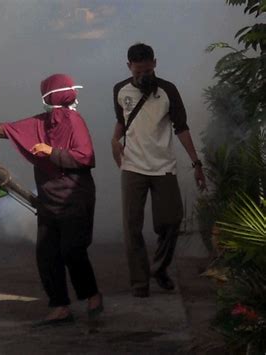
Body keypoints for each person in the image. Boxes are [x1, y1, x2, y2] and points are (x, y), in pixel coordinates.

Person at [0, 74, 103, 324]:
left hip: (74, 197)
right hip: (49, 200)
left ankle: (92, 295)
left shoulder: (74, 122)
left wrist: (52, 151)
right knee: (47, 254)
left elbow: (85, 157)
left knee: (72, 251)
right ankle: (60, 306)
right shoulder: (42, 122)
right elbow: (7, 129)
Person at [111, 43, 206, 298]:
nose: (143, 76)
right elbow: (123, 121)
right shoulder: (120, 90)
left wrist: (196, 163)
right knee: (132, 226)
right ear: (129, 66)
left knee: (171, 221)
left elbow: (182, 127)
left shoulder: (168, 91)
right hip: (133, 167)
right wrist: (114, 141)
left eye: (147, 70)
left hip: (163, 167)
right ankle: (139, 283)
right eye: (138, 71)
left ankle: (159, 268)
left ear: (155, 63)